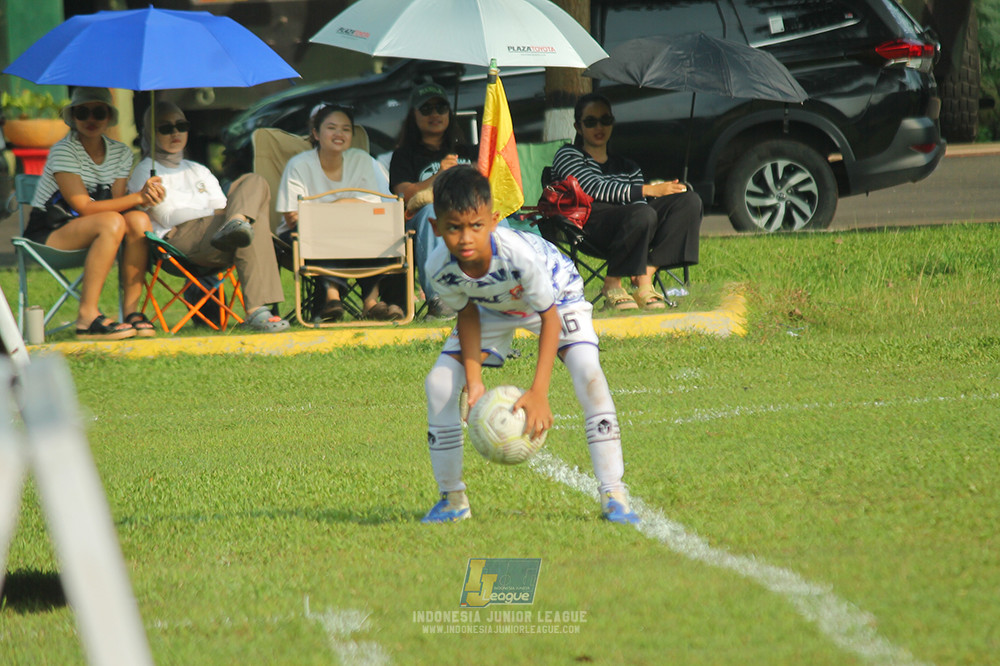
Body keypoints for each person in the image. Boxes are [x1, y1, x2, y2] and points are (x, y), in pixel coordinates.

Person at [420, 165, 639, 525]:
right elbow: (468, 314)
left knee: (589, 374)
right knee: (439, 384)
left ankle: (614, 493)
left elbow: (549, 318)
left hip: (557, 296)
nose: (465, 238)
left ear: (494, 221)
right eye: (453, 227)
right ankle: (451, 498)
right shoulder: (439, 266)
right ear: (436, 227)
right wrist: (474, 381)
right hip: (490, 306)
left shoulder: (517, 256)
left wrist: (539, 392)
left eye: (476, 226)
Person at [128, 101, 289, 332]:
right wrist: (216, 214)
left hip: (217, 236)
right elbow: (169, 216)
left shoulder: (198, 169)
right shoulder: (145, 170)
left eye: (181, 126)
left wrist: (229, 215)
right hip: (178, 243)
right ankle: (258, 310)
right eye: (165, 128)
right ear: (150, 134)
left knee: (254, 181)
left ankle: (238, 224)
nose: (175, 133)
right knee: (249, 221)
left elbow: (221, 207)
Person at [25, 86, 163, 340]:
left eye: (99, 112)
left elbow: (118, 203)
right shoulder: (64, 150)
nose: (90, 119)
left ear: (109, 117)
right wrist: (138, 196)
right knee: (111, 221)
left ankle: (131, 312)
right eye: (82, 112)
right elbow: (84, 207)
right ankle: (87, 317)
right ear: (72, 117)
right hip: (50, 231)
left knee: (139, 219)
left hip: (98, 228)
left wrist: (148, 197)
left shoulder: (121, 152)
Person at [551, 92, 702, 311]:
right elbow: (593, 188)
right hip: (591, 225)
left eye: (605, 120)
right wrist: (649, 190)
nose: (599, 127)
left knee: (689, 201)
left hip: (634, 224)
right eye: (591, 122)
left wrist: (665, 193)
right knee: (641, 213)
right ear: (578, 127)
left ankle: (644, 275)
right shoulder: (568, 155)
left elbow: (640, 205)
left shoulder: (627, 166)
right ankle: (612, 283)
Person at [277, 103, 405, 321]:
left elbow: (372, 208)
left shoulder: (362, 160)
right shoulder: (299, 165)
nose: (339, 134)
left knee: (377, 232)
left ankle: (371, 303)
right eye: (331, 128)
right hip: (303, 235)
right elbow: (293, 218)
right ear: (316, 133)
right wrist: (344, 208)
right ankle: (332, 297)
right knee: (326, 232)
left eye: (346, 129)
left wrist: (328, 209)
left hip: (355, 230)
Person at [389, 81, 477, 320]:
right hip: (422, 223)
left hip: (468, 218)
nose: (435, 114)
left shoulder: (467, 151)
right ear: (414, 116)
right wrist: (438, 176)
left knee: (495, 215)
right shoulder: (404, 155)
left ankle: (506, 291)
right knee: (430, 211)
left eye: (441, 108)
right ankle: (439, 298)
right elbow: (403, 194)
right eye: (426, 109)